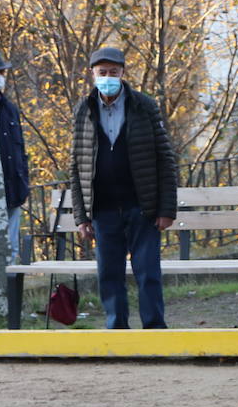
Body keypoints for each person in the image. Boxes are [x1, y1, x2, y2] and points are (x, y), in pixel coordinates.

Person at [70, 46, 178, 329]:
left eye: (113, 72)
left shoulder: (144, 106)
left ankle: (155, 329)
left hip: (141, 206)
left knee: (148, 272)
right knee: (109, 273)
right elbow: (76, 166)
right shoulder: (84, 109)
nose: (108, 77)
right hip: (103, 209)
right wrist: (81, 216)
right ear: (93, 74)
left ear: (123, 74)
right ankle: (116, 329)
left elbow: (165, 159)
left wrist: (166, 209)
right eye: (102, 72)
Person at [0, 50, 31, 262]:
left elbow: (19, 150)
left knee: (11, 250)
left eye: (0, 72)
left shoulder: (11, 109)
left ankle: (13, 293)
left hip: (14, 190)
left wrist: (24, 179)